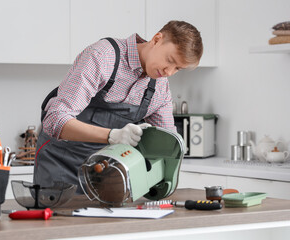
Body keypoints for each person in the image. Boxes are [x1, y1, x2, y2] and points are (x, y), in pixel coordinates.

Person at [34, 20, 203, 193]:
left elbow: (169, 145)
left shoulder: (160, 87)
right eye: (169, 60)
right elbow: (54, 119)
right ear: (156, 39)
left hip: (105, 174)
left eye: (178, 69)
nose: (169, 72)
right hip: (60, 165)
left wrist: (160, 181)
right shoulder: (103, 56)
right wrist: (112, 135)